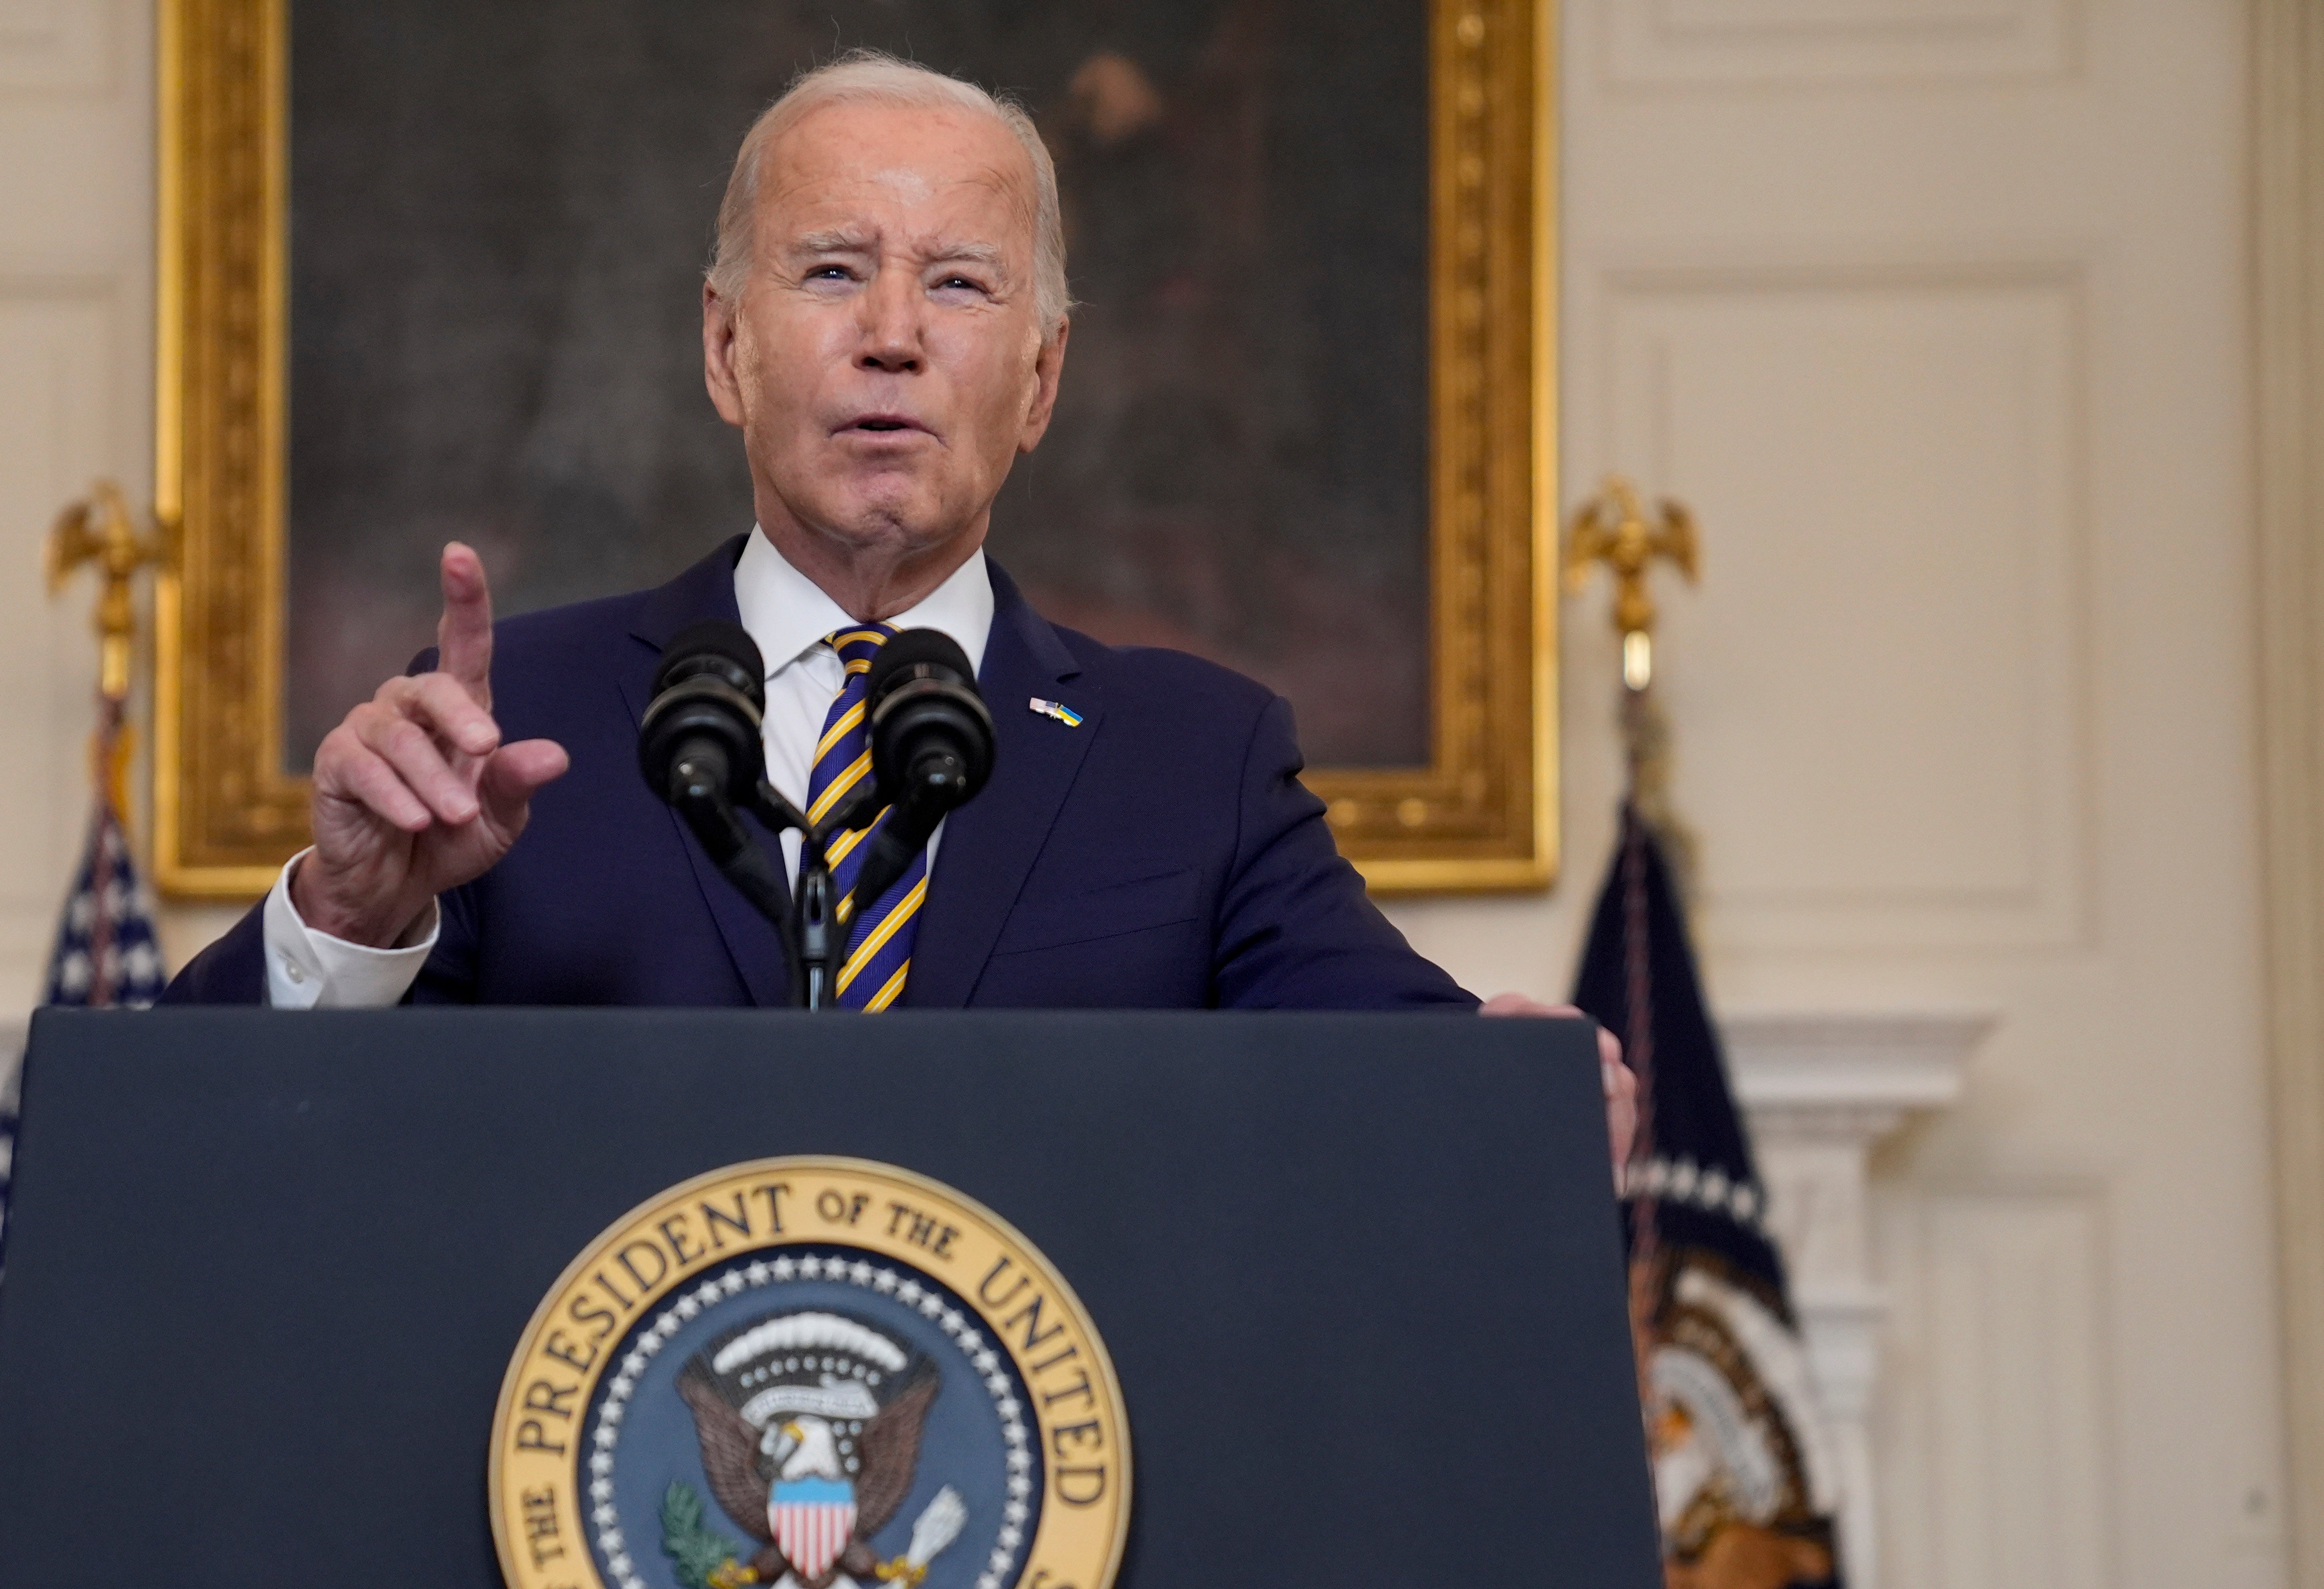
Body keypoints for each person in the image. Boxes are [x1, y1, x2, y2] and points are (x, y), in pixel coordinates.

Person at [164, 52, 1633, 1160]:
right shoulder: (511, 728)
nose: (890, 339)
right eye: (831, 272)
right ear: (728, 350)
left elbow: (1411, 1087)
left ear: (1041, 381)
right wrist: (347, 917)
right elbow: (210, 1149)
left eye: (959, 285)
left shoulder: (1196, 764)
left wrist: (1525, 1089)